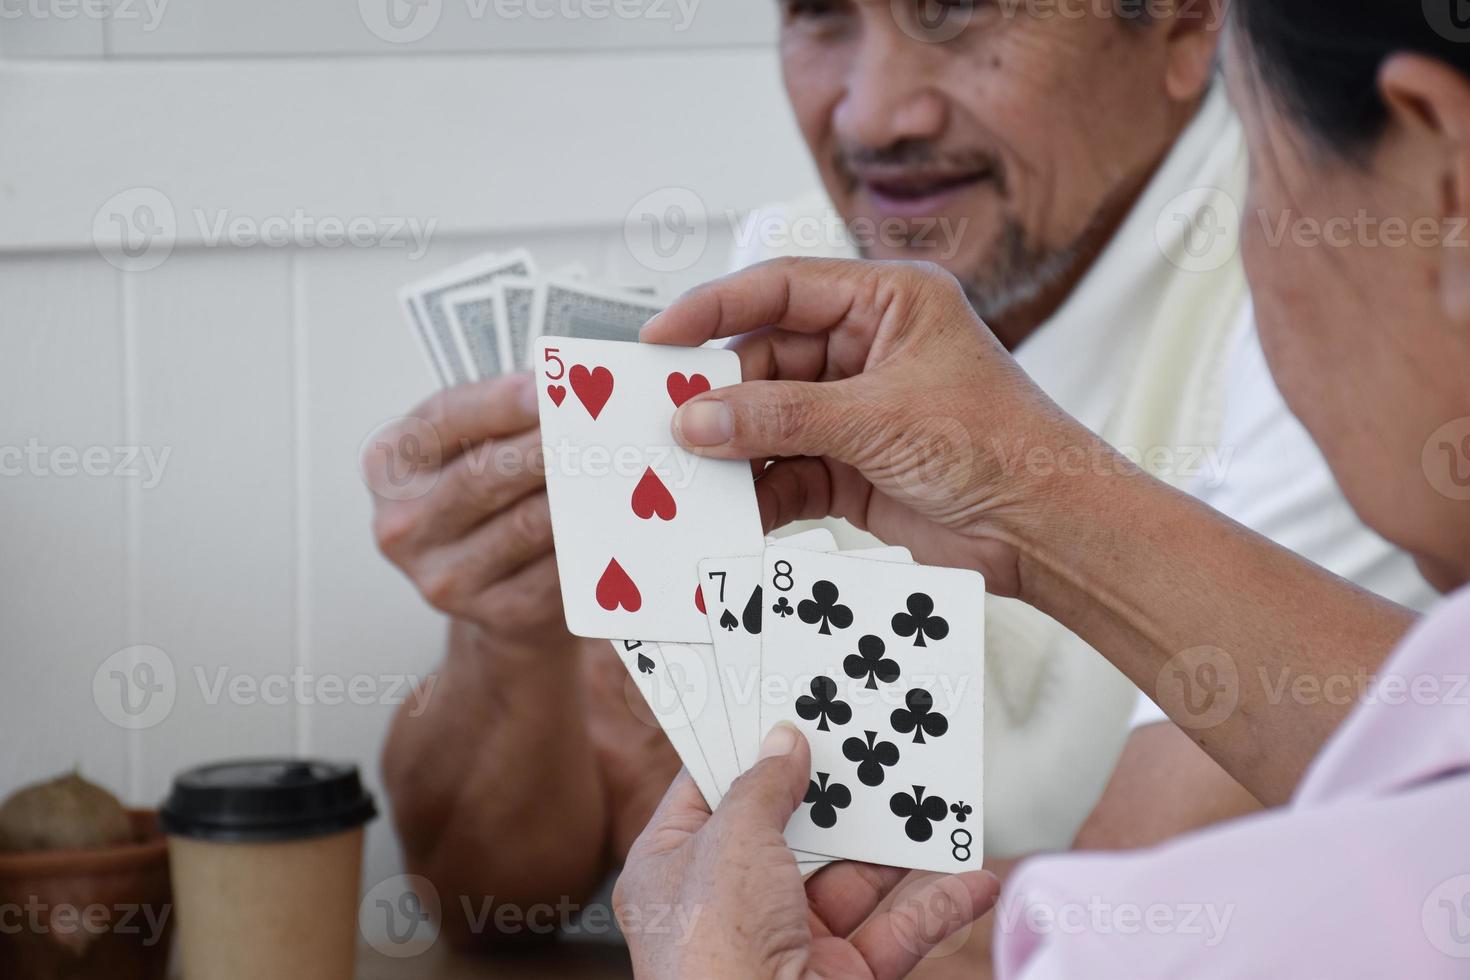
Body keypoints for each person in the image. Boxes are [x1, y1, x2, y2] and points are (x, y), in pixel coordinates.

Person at [367, 0, 1431, 961]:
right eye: (820, 15)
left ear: (1185, 27)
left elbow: (1128, 927)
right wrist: (518, 632)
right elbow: (484, 891)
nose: (874, 115)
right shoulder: (785, 266)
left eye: (957, 11)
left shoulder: (1340, 280)